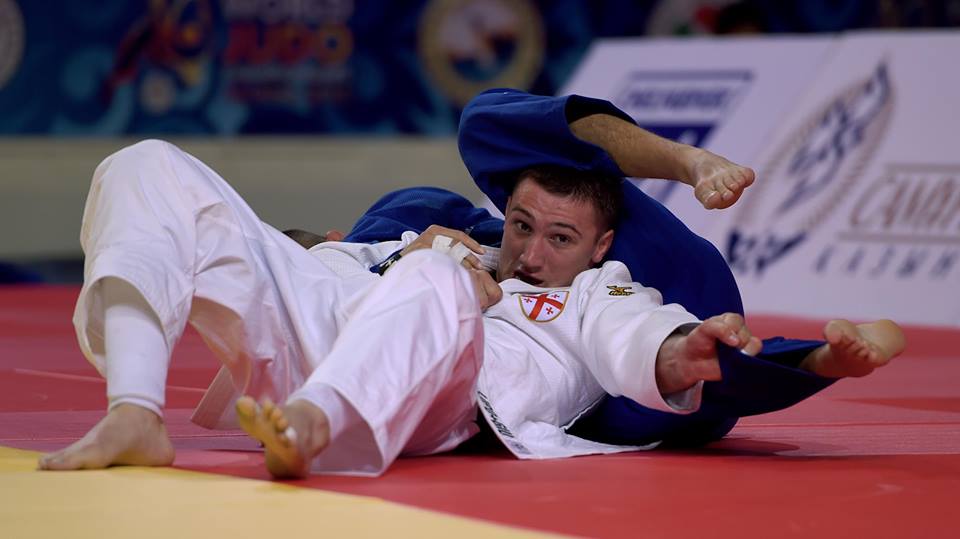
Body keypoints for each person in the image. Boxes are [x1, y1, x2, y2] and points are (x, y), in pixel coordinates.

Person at [37, 90, 905, 478]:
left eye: (559, 238)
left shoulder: (596, 295)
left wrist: (700, 350)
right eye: (522, 225)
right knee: (147, 164)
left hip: (435, 394)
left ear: (600, 246)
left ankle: (314, 427)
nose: (531, 252)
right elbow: (299, 259)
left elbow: (648, 347)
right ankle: (136, 410)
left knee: (440, 281)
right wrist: (379, 251)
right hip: (326, 323)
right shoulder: (454, 241)